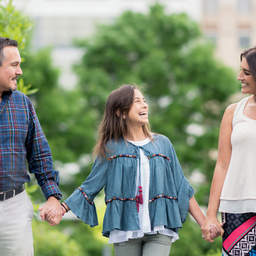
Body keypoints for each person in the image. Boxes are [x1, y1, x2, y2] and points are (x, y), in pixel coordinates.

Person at [48, 84, 217, 255]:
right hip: (124, 228)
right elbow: (89, 186)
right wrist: (61, 209)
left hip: (159, 227)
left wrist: (205, 223)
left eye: (144, 101)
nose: (145, 105)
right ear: (120, 112)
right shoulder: (111, 149)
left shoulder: (163, 144)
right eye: (137, 101)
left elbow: (182, 187)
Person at [0, 37, 62, 256]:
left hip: (13, 208)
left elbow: (40, 155)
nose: (20, 71)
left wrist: (53, 197)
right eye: (14, 65)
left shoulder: (22, 103)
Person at [201, 46, 256, 255]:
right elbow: (222, 165)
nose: (239, 76)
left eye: (247, 72)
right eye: (240, 70)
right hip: (236, 209)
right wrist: (210, 214)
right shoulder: (233, 112)